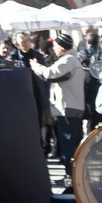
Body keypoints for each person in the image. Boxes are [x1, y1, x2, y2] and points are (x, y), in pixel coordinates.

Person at [31, 33, 87, 181]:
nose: (53, 49)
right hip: (71, 108)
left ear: (62, 47)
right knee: (72, 145)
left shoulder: (68, 60)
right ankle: (74, 176)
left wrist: (36, 66)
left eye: (55, 46)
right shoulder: (73, 60)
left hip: (68, 109)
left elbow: (50, 73)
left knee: (69, 146)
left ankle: (72, 178)